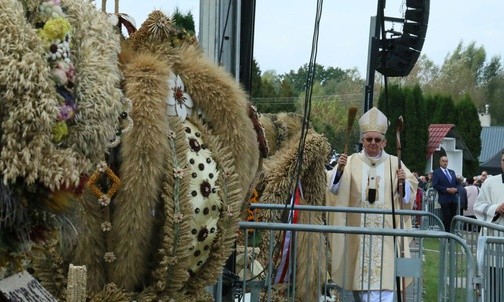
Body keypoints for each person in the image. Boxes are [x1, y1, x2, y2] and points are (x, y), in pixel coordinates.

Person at [327, 107, 418, 302]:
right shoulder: (350, 161)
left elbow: (407, 196)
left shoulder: (395, 163)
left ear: (385, 142)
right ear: (362, 140)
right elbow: (334, 190)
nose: (373, 143)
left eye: (378, 140)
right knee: (361, 287)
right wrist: (340, 171)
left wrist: (404, 183)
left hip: (386, 236)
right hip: (358, 235)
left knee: (385, 285)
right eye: (369, 139)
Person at [474, 151, 504, 302]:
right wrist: (496, 209)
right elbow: (478, 206)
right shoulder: (490, 183)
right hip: (495, 240)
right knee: (494, 282)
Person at [432, 156, 458, 232]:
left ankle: (452, 234)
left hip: (453, 199)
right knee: (446, 217)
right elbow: (435, 185)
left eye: (446, 161)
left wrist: (456, 189)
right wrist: (446, 189)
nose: (445, 163)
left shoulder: (452, 172)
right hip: (444, 198)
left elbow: (457, 183)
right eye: (443, 161)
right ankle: (445, 234)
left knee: (453, 218)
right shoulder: (436, 172)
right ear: (440, 162)